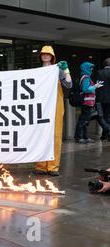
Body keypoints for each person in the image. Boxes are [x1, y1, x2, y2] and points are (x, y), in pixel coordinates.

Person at [34, 46, 72, 176]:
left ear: (52, 56)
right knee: (40, 135)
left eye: (48, 54)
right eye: (43, 54)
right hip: (40, 106)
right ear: (40, 56)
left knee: (55, 135)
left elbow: (69, 84)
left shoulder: (58, 70)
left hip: (56, 105)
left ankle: (53, 166)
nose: (45, 56)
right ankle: (40, 166)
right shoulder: (37, 71)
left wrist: (66, 70)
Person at [74, 62, 104, 144]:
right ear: (86, 68)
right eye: (90, 68)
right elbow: (86, 89)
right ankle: (79, 137)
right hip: (86, 103)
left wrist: (95, 85)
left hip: (87, 103)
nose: (91, 70)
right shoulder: (86, 77)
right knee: (83, 121)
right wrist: (95, 86)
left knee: (85, 121)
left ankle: (85, 137)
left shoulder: (85, 77)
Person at [96, 58, 110, 141]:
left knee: (103, 116)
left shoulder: (99, 72)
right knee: (108, 117)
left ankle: (105, 134)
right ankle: (106, 134)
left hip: (102, 98)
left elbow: (98, 86)